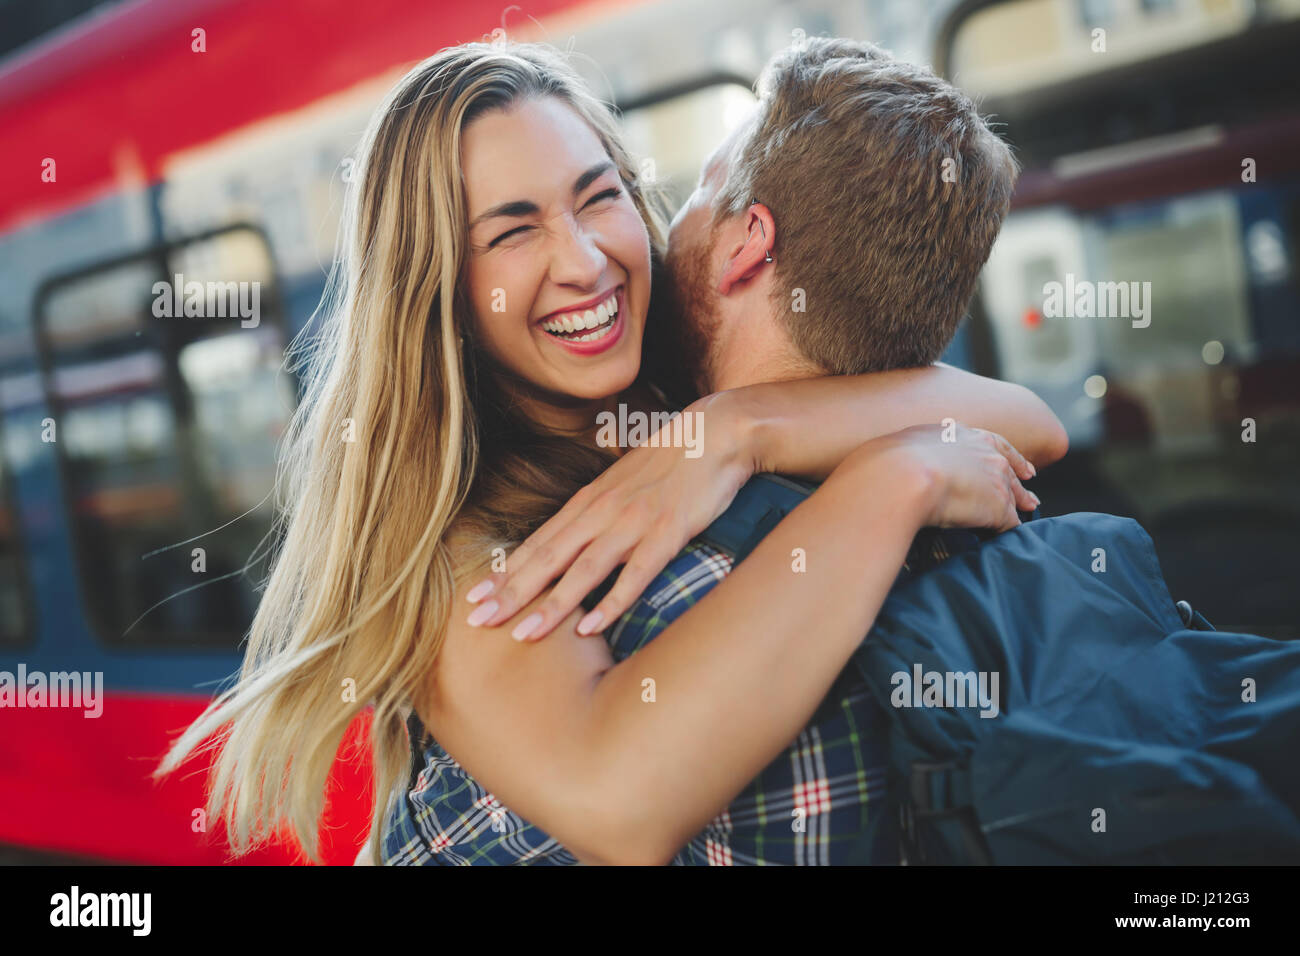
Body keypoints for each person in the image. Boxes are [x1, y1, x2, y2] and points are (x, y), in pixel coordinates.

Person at [154, 38, 1062, 867]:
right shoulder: (457, 543)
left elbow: (1025, 418)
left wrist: (736, 428)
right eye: (513, 230)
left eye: (600, 196)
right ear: (439, 290)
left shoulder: (681, 389)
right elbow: (620, 802)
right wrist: (891, 476)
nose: (585, 260)